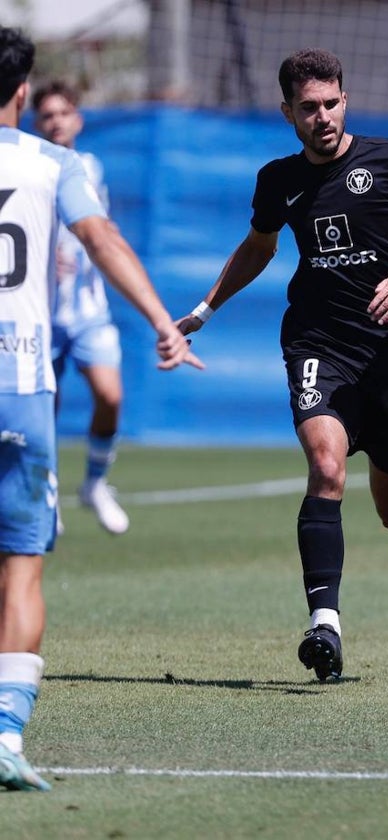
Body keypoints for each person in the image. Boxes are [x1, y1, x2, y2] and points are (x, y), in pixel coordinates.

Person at [176, 48, 388, 683]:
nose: (323, 117)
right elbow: (259, 246)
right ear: (287, 112)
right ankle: (325, 626)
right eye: (308, 107)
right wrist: (205, 308)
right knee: (326, 467)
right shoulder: (277, 179)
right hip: (319, 345)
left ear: (346, 100)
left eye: (331, 103)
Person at [0, 26, 201, 791]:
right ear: (23, 93)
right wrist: (161, 320)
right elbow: (104, 238)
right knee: (20, 566)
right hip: (20, 383)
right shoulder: (53, 165)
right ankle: (6, 735)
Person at [33, 80, 129, 535]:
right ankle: (46, 490)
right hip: (39, 312)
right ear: (37, 122)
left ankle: (94, 483)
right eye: (47, 115)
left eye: (63, 113)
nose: (56, 122)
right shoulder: (28, 167)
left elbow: (96, 230)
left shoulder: (89, 166)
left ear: (78, 119)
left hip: (89, 311)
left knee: (110, 395)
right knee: (42, 409)